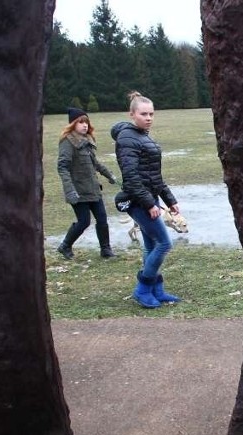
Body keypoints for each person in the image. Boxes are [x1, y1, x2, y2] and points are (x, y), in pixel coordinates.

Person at [111, 91, 181, 308]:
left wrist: (170, 200)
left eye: (151, 113)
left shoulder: (143, 135)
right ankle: (142, 290)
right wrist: (150, 204)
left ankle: (156, 290)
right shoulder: (128, 138)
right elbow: (131, 177)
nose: (148, 118)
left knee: (151, 245)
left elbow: (154, 176)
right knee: (163, 243)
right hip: (137, 201)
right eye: (143, 114)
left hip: (147, 198)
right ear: (132, 114)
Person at [56, 107, 119, 260]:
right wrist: (70, 190)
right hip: (78, 191)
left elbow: (94, 163)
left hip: (93, 189)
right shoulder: (68, 142)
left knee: (102, 219)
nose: (85, 125)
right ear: (73, 124)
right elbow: (62, 167)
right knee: (84, 222)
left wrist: (109, 174)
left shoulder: (86, 141)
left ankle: (106, 250)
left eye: (86, 122)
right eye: (81, 122)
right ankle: (65, 246)